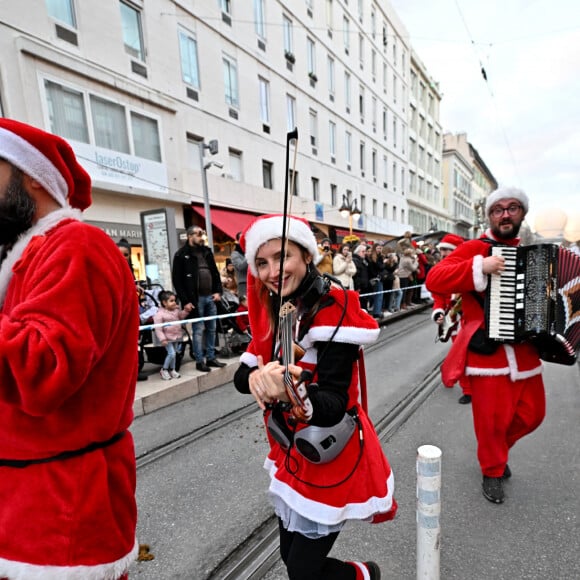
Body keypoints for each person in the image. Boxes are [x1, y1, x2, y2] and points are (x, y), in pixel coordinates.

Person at [0, 119, 138, 578]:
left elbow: (41, 370)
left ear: (31, 174)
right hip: (29, 504)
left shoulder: (77, 245)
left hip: (60, 513)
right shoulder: (24, 256)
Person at [233, 214, 397, 580]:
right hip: (290, 452)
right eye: (262, 262)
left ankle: (361, 575)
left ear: (306, 255)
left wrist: (296, 391)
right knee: (290, 557)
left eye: (282, 257)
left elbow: (334, 404)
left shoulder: (333, 309)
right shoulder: (272, 308)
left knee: (302, 572)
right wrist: (259, 376)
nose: (273, 271)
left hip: (328, 453)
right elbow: (240, 376)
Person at [426, 187, 546, 504]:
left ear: (522, 214)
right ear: (490, 216)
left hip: (526, 352)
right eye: (498, 209)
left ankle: (496, 452)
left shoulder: (534, 254)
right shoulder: (475, 247)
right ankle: (492, 470)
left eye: (513, 207)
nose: (505, 214)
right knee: (491, 422)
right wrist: (479, 267)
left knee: (533, 415)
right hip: (487, 355)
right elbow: (435, 278)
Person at [172, 225, 226, 372]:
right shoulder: (180, 255)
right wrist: (186, 301)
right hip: (195, 299)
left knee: (211, 328)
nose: (201, 236)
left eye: (202, 233)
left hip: (210, 297)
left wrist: (218, 292)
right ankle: (199, 360)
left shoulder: (207, 252)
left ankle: (211, 357)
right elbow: (177, 281)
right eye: (198, 234)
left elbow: (214, 273)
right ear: (190, 236)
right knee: (198, 330)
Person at [430, 234, 472, 404]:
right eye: (442, 250)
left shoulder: (469, 267)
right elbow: (438, 298)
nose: (444, 253)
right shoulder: (439, 270)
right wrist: (438, 313)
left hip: (472, 317)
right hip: (454, 320)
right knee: (461, 355)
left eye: (448, 249)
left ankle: (449, 369)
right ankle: (468, 389)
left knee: (473, 354)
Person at [153, 290, 190, 380]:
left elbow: (180, 316)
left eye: (175, 300)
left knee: (174, 354)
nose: (174, 303)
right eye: (171, 301)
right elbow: (158, 328)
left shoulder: (176, 310)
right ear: (164, 303)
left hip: (176, 336)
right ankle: (164, 369)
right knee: (171, 353)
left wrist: (185, 311)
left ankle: (172, 370)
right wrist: (162, 339)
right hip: (167, 338)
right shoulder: (159, 314)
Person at [231, 231, 248, 298]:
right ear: (238, 241)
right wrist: (249, 254)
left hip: (255, 282)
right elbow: (240, 266)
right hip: (243, 283)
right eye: (241, 238)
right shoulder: (235, 254)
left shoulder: (249, 251)